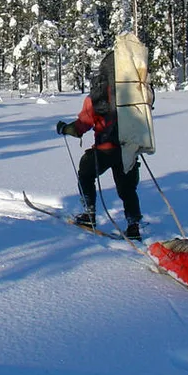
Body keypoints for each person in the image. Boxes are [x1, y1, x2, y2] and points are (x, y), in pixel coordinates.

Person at [55, 52, 143, 238]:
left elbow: (82, 125)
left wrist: (65, 129)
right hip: (128, 148)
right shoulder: (135, 93)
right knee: (127, 189)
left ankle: (89, 213)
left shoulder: (96, 96)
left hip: (105, 149)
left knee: (86, 174)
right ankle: (133, 225)